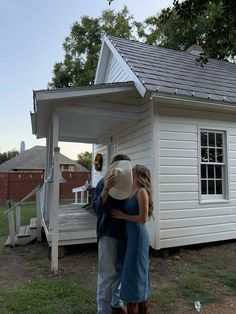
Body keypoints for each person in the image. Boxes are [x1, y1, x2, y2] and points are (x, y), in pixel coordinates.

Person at [93, 154, 133, 314]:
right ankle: (103, 310)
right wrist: (106, 189)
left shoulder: (129, 183)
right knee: (107, 274)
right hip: (108, 232)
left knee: (120, 270)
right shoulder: (102, 183)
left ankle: (116, 302)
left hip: (125, 232)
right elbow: (96, 209)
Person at [112, 165, 153, 314]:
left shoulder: (142, 192)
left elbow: (143, 218)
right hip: (129, 236)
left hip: (138, 236)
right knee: (131, 271)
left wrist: (123, 216)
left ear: (138, 174)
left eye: (133, 171)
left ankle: (135, 303)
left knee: (134, 271)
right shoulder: (130, 190)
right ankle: (141, 306)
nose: (130, 173)